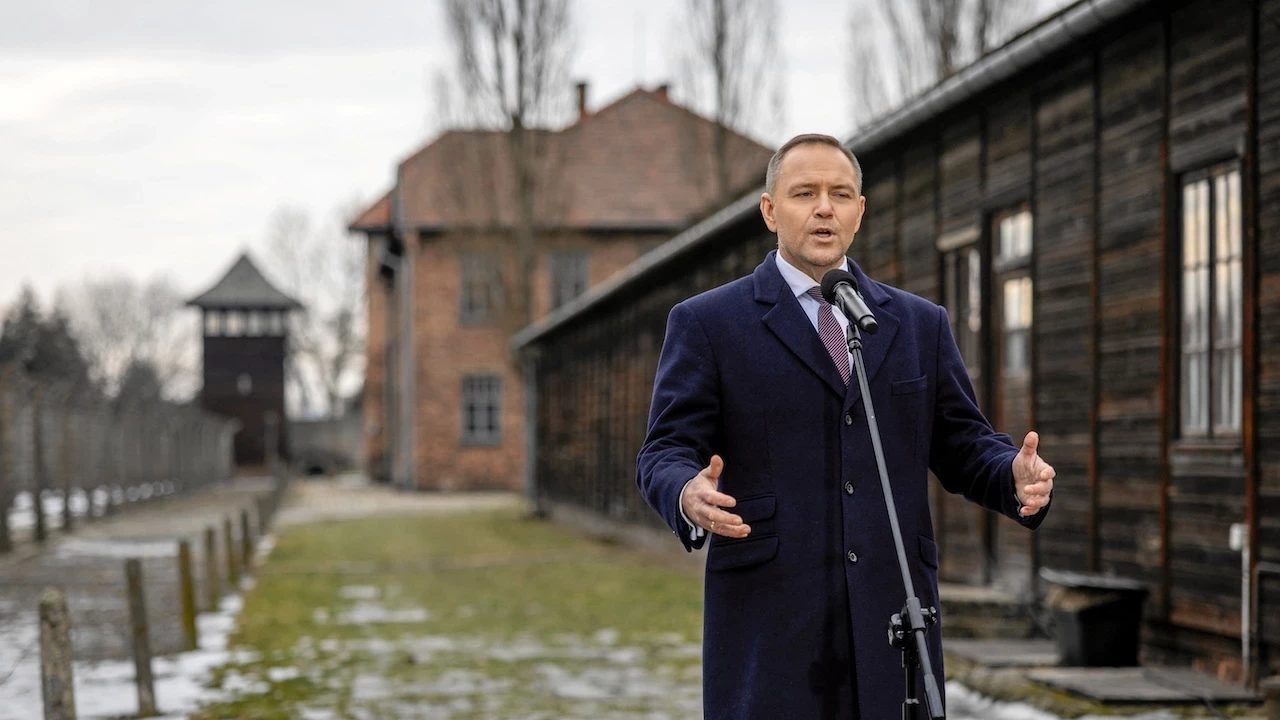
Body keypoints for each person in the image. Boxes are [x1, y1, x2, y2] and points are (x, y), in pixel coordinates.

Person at [635, 133, 1055, 719]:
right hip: (771, 625)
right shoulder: (709, 323)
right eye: (804, 193)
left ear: (860, 210)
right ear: (770, 210)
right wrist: (686, 491)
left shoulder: (918, 324)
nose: (824, 208)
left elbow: (963, 443)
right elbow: (665, 449)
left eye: (840, 194)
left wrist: (1012, 473)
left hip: (894, 622)